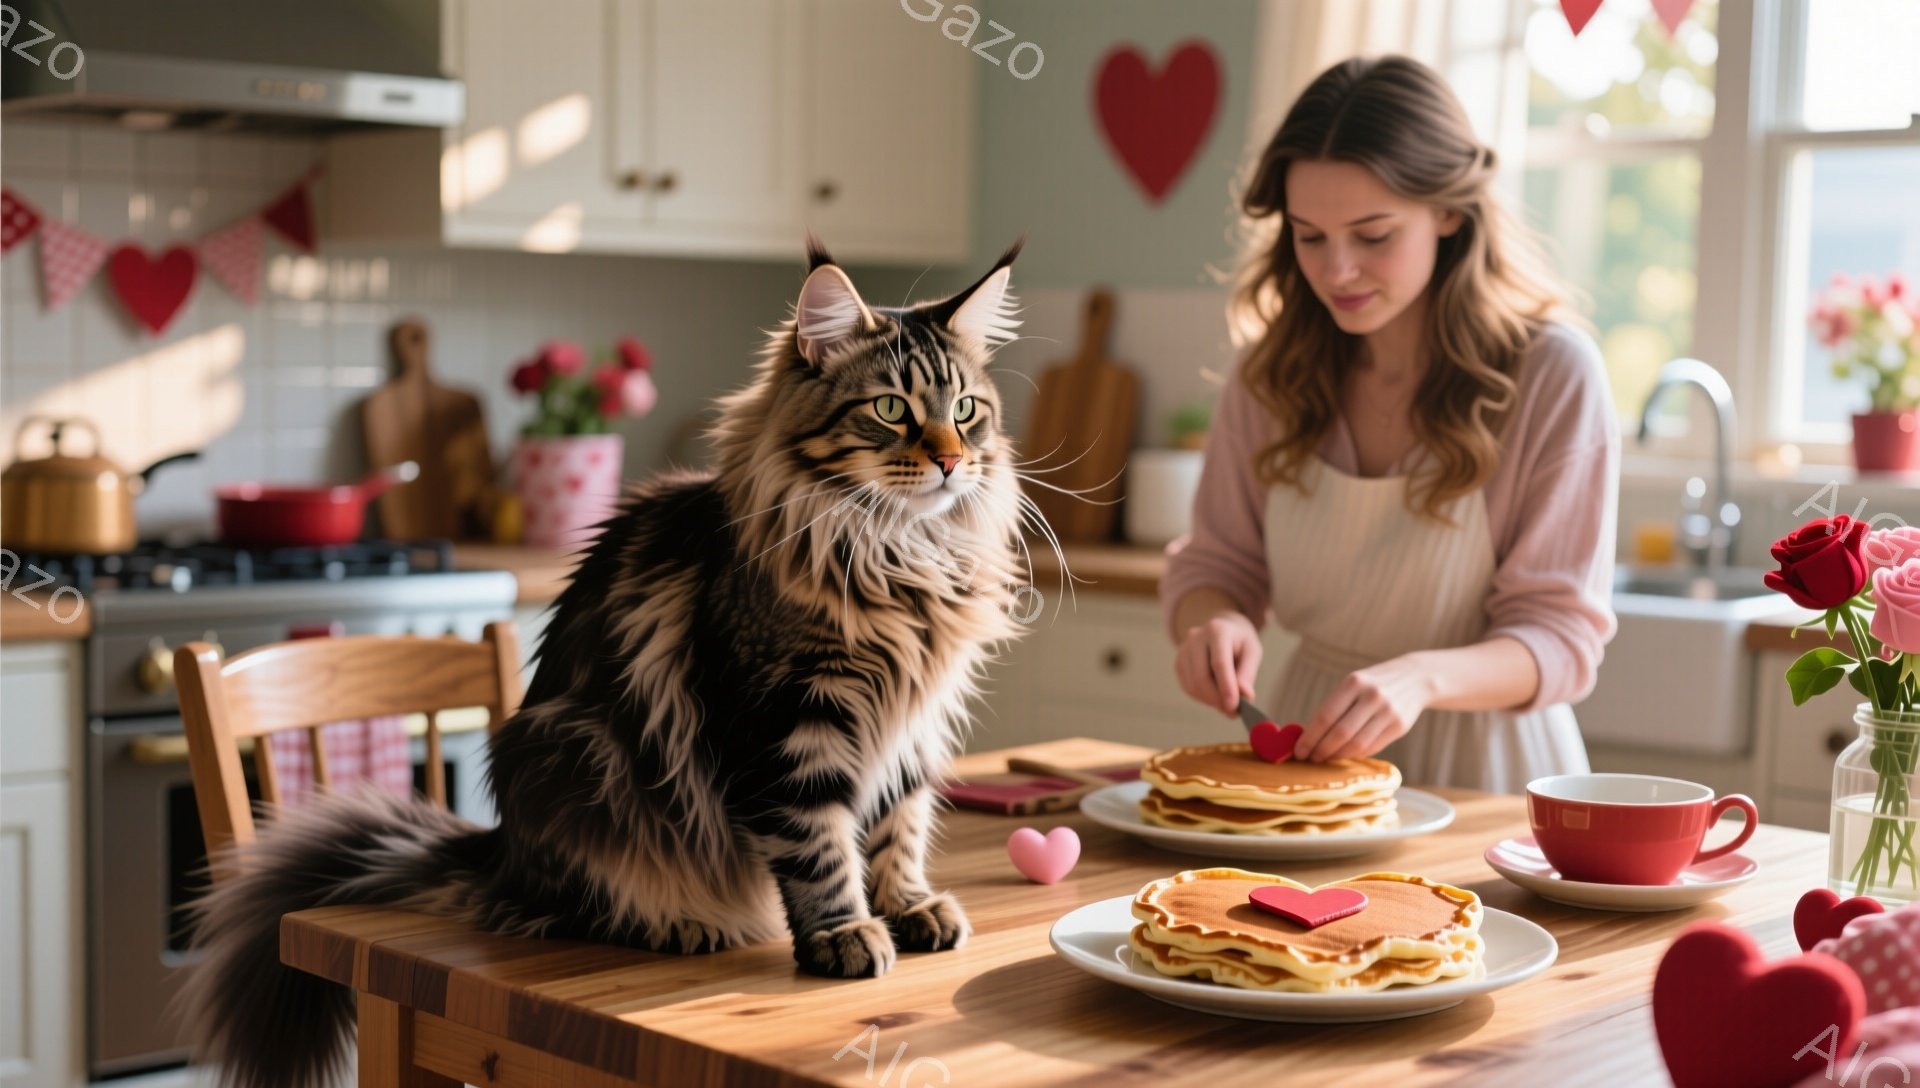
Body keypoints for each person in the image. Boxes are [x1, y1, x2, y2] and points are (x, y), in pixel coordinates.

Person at [1162, 55, 1620, 793]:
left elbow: (1560, 641)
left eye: (1372, 235)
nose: (1337, 270)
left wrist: (1422, 678)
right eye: (1310, 236)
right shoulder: (1267, 376)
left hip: (1491, 772)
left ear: (1450, 211)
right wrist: (1211, 622)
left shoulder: (1551, 375)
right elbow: (1218, 567)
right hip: (1318, 753)